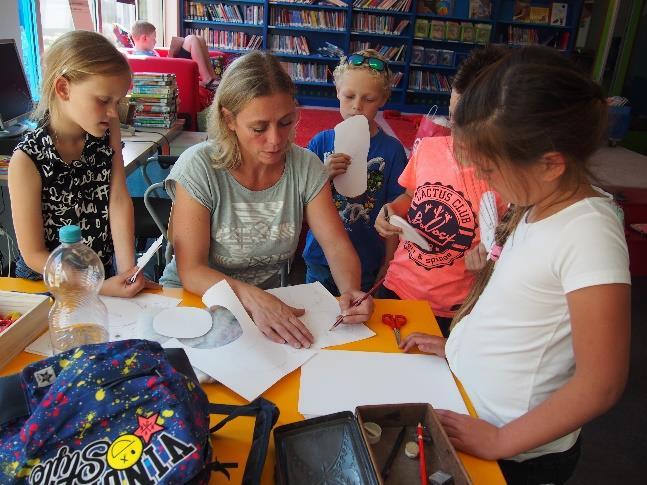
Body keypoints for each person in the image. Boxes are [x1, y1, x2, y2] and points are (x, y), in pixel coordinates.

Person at [402, 46, 631, 485]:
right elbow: (514, 311)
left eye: (488, 169)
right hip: (475, 412)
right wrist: (456, 348)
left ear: (550, 164)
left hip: (517, 452)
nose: (483, 180)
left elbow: (601, 381)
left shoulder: (589, 232)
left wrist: (501, 441)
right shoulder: (536, 204)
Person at [159, 51, 372, 349]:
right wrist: (252, 297)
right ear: (228, 119)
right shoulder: (200, 166)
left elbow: (336, 246)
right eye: (259, 128)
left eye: (285, 122)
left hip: (267, 308)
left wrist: (351, 290)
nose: (275, 140)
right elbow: (191, 270)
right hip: (193, 300)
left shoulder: (305, 167)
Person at [8, 30, 156, 297]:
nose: (113, 113)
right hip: (46, 286)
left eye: (117, 101)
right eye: (103, 100)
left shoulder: (107, 130)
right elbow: (33, 254)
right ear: (63, 88)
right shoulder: (27, 160)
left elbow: (118, 200)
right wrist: (93, 285)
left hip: (99, 275)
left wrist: (127, 271)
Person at [374, 45, 508, 336]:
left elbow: (505, 253)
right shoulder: (430, 149)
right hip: (399, 285)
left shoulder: (508, 181)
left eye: (468, 124)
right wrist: (391, 211)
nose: (455, 133)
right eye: (452, 117)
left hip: (452, 307)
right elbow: (410, 197)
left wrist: (489, 265)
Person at [303, 50, 407, 295]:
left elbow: (395, 211)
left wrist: (389, 261)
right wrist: (322, 175)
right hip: (320, 256)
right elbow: (299, 199)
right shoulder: (321, 142)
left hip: (366, 259)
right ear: (337, 91)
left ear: (383, 99)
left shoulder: (392, 151)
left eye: (368, 99)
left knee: (357, 324)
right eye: (349, 96)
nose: (357, 106)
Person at [130, 20, 218, 90]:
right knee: (191, 39)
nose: (155, 41)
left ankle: (212, 77)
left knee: (199, 39)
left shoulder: (149, 51)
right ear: (144, 38)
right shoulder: (142, 58)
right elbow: (159, 76)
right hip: (174, 75)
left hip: (173, 69)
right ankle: (207, 79)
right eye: (154, 38)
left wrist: (170, 56)